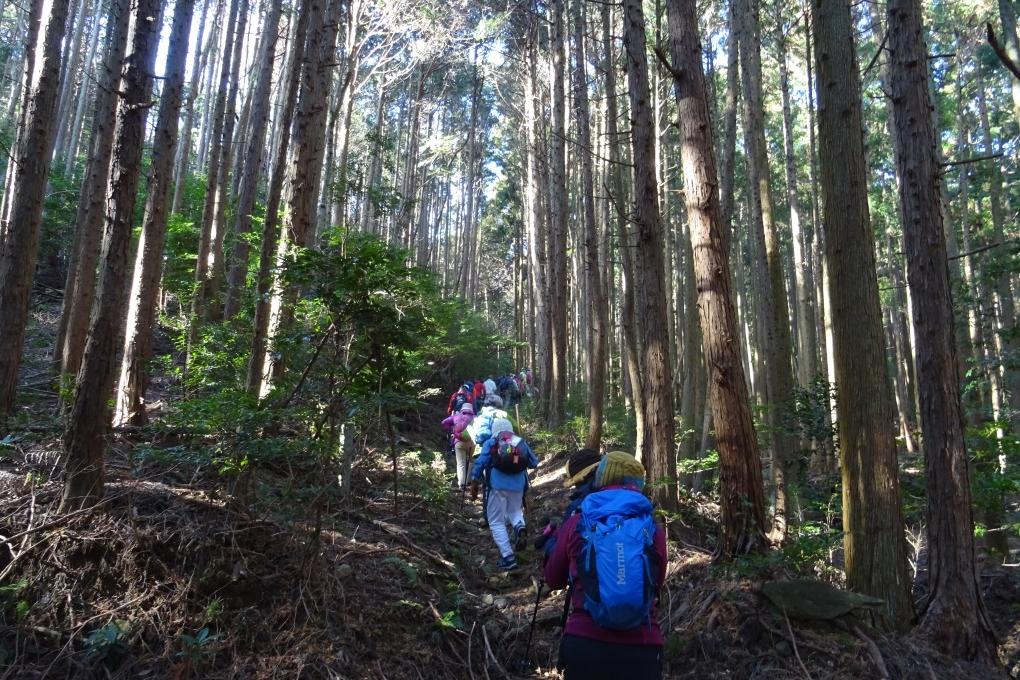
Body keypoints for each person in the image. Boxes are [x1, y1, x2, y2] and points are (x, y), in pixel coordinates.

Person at [544, 451, 666, 679]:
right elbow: (655, 585)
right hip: (643, 648)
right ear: (639, 484)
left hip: (585, 642)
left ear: (600, 478)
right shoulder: (654, 530)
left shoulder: (577, 523)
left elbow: (553, 578)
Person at [470, 418, 538, 571]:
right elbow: (534, 462)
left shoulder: (492, 441)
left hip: (497, 485)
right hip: (518, 485)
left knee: (496, 522)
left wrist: (474, 481)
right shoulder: (520, 441)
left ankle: (508, 557)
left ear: (495, 429)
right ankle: (520, 527)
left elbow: (481, 462)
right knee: (514, 511)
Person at [535, 448, 601, 559]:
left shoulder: (579, 507)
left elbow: (563, 551)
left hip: (590, 571)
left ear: (582, 479)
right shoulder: (631, 497)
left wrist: (549, 541)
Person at [441, 403, 476, 490]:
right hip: (472, 443)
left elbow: (443, 422)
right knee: (472, 461)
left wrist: (452, 429)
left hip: (459, 442)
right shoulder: (476, 418)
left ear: (462, 409)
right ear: (471, 410)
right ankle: (468, 481)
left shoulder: (456, 416)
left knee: (461, 463)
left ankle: (462, 484)